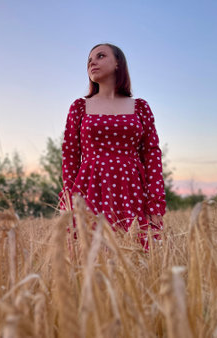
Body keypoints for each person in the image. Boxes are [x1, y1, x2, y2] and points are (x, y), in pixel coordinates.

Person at [59, 43, 166, 249]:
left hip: (132, 190)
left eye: (100, 56)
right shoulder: (79, 107)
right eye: (89, 60)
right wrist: (68, 203)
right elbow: (70, 156)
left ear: (118, 63)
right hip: (90, 189)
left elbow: (152, 155)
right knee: (91, 257)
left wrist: (155, 204)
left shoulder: (140, 107)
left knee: (135, 257)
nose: (93, 62)